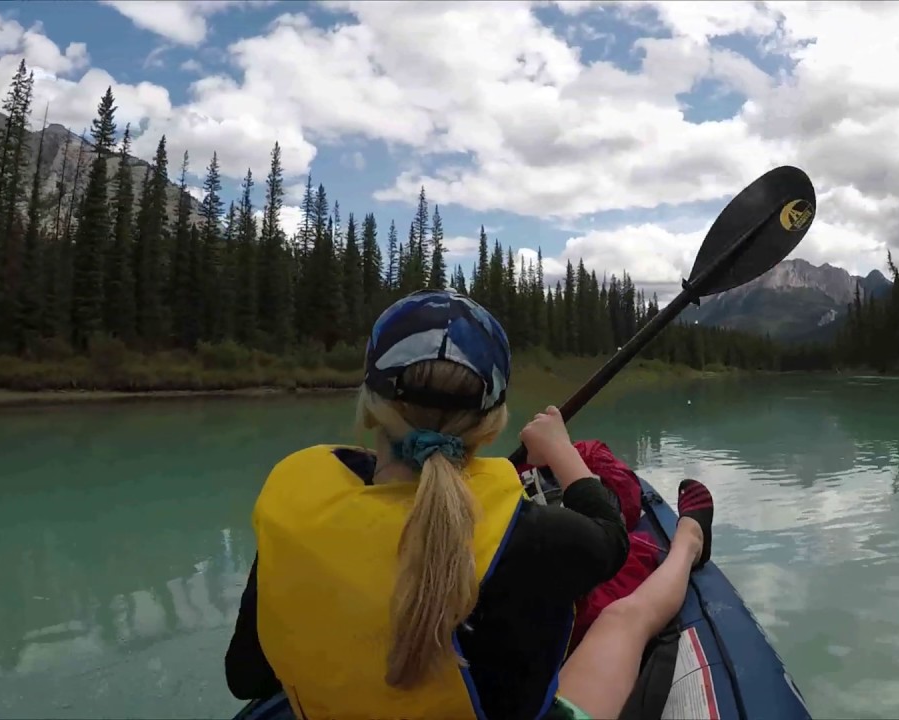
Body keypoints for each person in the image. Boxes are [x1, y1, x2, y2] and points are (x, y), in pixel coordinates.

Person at [224, 288, 716, 720]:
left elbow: (246, 677)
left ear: (370, 403)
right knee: (622, 620)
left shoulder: (293, 495)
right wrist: (560, 451)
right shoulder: (534, 537)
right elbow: (609, 534)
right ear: (493, 422)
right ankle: (689, 542)